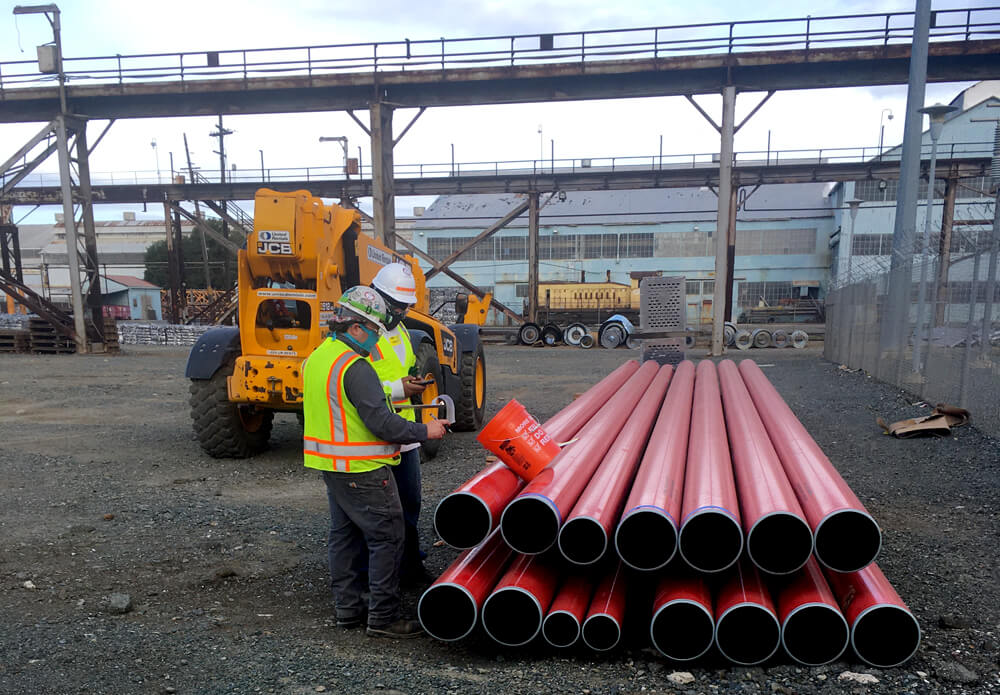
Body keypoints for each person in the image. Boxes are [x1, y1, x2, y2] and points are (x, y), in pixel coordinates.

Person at [302, 285, 448, 638]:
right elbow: (381, 422)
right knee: (388, 537)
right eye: (373, 332)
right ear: (355, 327)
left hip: (331, 467)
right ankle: (384, 617)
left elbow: (351, 402)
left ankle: (348, 610)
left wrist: (396, 390)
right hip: (363, 469)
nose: (376, 340)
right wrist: (424, 430)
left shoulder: (321, 357)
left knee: (344, 536)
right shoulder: (356, 366)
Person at [367, 262, 430, 584]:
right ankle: (388, 570)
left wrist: (410, 383)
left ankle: (409, 562)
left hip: (404, 431)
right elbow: (355, 383)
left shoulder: (400, 330)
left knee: (410, 502)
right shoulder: (362, 333)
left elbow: (398, 369)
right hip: (375, 433)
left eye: (405, 307)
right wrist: (397, 388)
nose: (402, 312)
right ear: (377, 296)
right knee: (383, 511)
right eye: (397, 306)